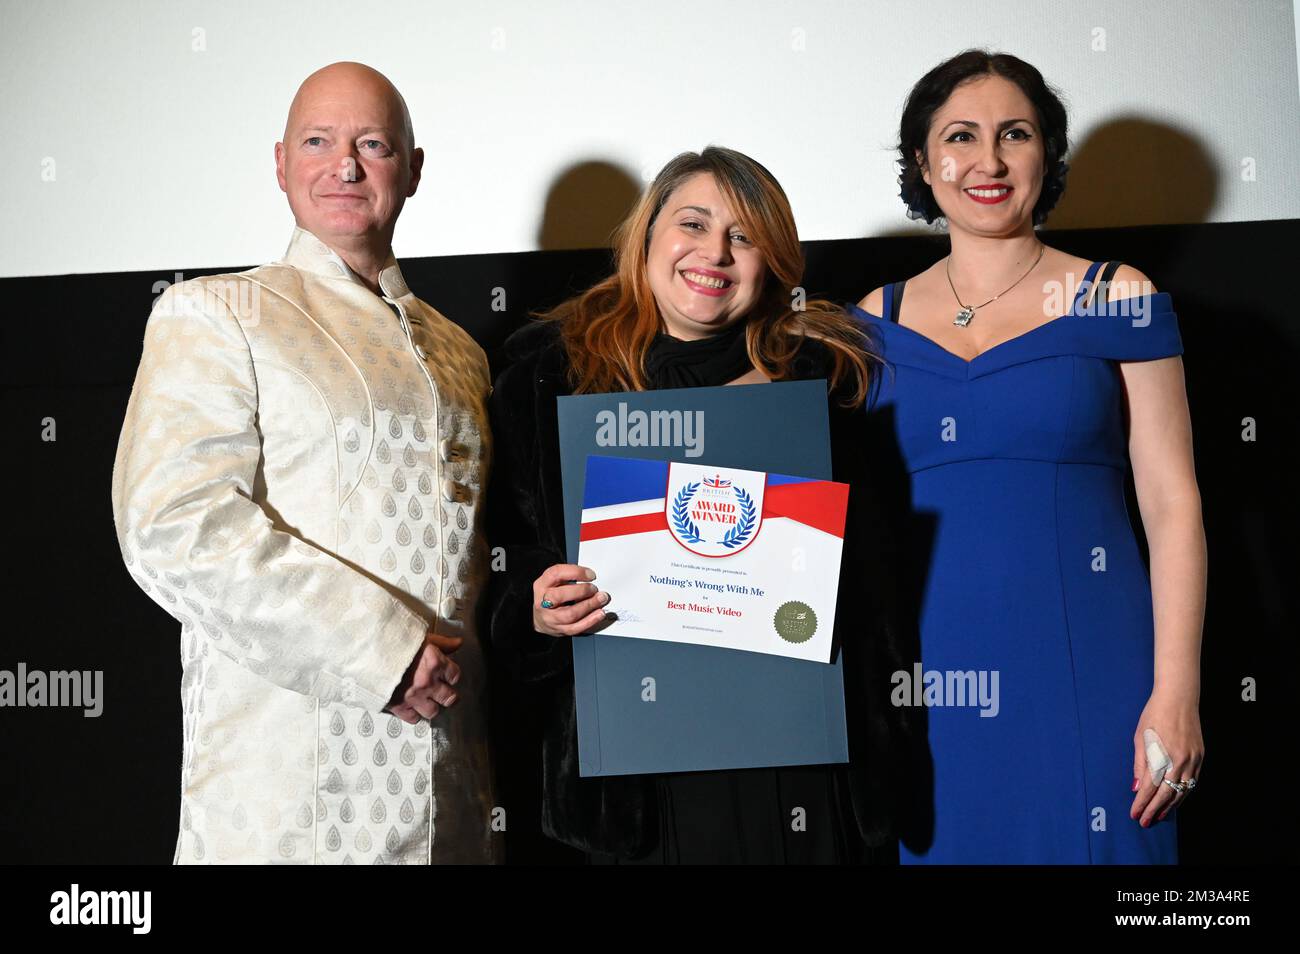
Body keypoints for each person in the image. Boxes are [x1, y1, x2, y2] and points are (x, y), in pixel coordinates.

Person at [111, 62, 499, 864]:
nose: (345, 165)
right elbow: (173, 525)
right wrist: (384, 652)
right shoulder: (218, 313)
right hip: (287, 807)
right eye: (318, 142)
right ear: (280, 164)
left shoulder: (462, 352)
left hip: (454, 804)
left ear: (414, 170)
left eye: (374, 144)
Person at [485, 145, 914, 864]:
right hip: (636, 777)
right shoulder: (545, 381)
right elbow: (500, 558)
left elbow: (879, 592)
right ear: (648, 235)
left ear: (772, 260)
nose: (714, 253)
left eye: (743, 236)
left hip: (793, 765)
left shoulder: (824, 388)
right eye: (693, 223)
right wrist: (532, 608)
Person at [851, 49, 1206, 863]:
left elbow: (1172, 502)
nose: (988, 160)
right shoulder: (874, 318)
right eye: (960, 137)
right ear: (923, 162)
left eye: (1014, 134)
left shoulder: (1119, 294)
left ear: (1045, 151)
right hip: (930, 686)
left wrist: (1176, 693)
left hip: (1097, 669)